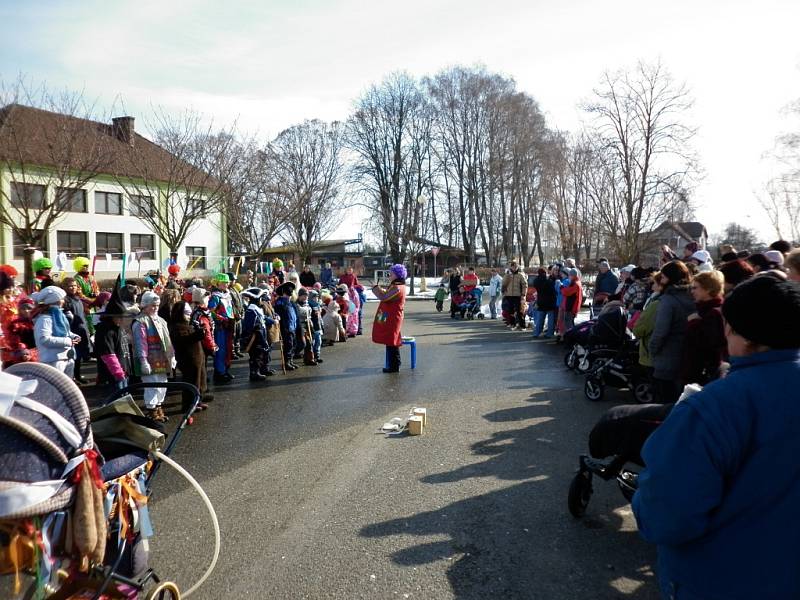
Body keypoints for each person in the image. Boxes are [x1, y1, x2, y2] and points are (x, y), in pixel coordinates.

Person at [632, 274, 800, 600]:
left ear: (735, 330)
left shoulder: (710, 409)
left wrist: (640, 499)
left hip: (722, 579)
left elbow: (665, 516)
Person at [648, 260, 694, 403]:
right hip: (686, 356)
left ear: (670, 278)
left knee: (663, 404)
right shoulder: (692, 296)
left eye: (663, 277)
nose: (660, 280)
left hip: (666, 358)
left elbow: (660, 332)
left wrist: (652, 350)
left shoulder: (668, 300)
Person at [132, 291, 175, 422]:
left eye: (157, 305)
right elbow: (141, 343)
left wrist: (172, 356)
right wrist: (143, 361)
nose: (155, 308)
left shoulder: (161, 320)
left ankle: (158, 407)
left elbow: (168, 340)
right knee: (152, 385)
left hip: (161, 358)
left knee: (162, 384)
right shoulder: (140, 322)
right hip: (149, 359)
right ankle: (151, 410)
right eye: (152, 305)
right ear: (144, 306)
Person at [682, 270, 727, 385]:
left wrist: (694, 323)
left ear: (708, 289)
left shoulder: (713, 314)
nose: (692, 291)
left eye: (695, 288)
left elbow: (711, 348)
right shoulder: (704, 311)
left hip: (704, 377)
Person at [169, 300, 210, 411]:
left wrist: (199, 331)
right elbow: (183, 340)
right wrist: (197, 335)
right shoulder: (176, 326)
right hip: (187, 359)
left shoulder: (186, 324)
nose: (189, 315)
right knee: (191, 381)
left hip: (196, 358)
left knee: (199, 379)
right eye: (186, 313)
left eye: (189, 313)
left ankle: (198, 400)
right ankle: (188, 405)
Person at [93, 279, 133, 393]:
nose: (122, 319)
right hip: (114, 375)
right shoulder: (105, 330)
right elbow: (108, 354)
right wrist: (118, 373)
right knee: (116, 399)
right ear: (111, 316)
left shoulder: (118, 328)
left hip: (124, 371)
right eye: (120, 317)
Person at [32, 285, 79, 376]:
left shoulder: (60, 316)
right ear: (56, 301)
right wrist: (68, 341)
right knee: (54, 388)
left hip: (66, 357)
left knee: (66, 388)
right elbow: (44, 339)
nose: (64, 300)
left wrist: (73, 336)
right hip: (53, 359)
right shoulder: (45, 319)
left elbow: (65, 331)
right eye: (62, 298)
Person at [372, 264, 407, 373]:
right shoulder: (397, 285)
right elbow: (387, 295)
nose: (389, 275)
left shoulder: (397, 287)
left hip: (392, 318)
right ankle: (395, 363)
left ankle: (394, 366)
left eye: (391, 273)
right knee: (391, 340)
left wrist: (375, 288)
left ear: (397, 274)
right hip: (391, 316)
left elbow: (384, 297)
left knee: (392, 341)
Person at [62, 277, 93, 385]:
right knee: (73, 356)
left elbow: (82, 315)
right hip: (72, 330)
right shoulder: (65, 300)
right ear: (65, 287)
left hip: (81, 329)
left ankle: (78, 375)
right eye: (70, 286)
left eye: (74, 285)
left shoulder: (77, 299)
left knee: (79, 356)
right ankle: (72, 377)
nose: (73, 288)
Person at [632, 271, 663, 373]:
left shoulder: (657, 302)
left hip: (652, 353)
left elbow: (641, 328)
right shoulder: (657, 298)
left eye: (654, 283)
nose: (652, 287)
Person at [208, 273, 235, 384]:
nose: (227, 284)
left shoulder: (227, 294)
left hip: (229, 325)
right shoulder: (215, 296)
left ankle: (226, 369)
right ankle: (220, 372)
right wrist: (220, 318)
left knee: (229, 348)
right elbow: (211, 311)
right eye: (224, 282)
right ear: (218, 283)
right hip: (220, 327)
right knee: (221, 350)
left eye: (227, 282)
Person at [1, 295, 37, 368]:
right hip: (19, 358)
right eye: (23, 308)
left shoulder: (38, 322)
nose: (26, 310)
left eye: (29, 308)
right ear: (19, 310)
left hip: (37, 357)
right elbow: (11, 343)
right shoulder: (14, 324)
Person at [274, 281, 299, 370]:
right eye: (288, 294)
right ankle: (287, 362)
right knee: (288, 345)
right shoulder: (279, 303)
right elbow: (277, 315)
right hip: (286, 328)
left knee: (292, 345)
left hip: (292, 327)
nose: (289, 296)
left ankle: (291, 360)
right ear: (284, 293)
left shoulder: (291, 303)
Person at [501, 261, 527, 330]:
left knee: (519, 311)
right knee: (510, 310)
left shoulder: (520, 275)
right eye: (512, 266)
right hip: (509, 295)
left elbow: (525, 285)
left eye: (515, 266)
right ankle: (512, 324)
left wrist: (523, 294)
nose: (514, 268)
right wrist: (507, 275)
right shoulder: (507, 275)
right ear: (510, 267)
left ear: (517, 267)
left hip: (517, 295)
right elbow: (503, 284)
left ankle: (522, 325)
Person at [532, 268, 557, 338]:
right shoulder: (549, 281)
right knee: (550, 319)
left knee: (540, 319)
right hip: (550, 302)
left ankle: (537, 333)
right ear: (544, 273)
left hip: (541, 301)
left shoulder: (536, 281)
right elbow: (553, 290)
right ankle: (550, 333)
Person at [559, 268, 583, 334]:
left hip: (571, 307)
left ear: (572, 275)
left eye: (569, 275)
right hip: (572, 307)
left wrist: (561, 287)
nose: (568, 277)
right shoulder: (576, 283)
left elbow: (567, 292)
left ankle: (570, 339)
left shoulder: (575, 284)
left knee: (568, 325)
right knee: (569, 323)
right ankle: (570, 338)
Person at [307, 289, 324, 363]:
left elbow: (319, 317)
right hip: (312, 327)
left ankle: (317, 355)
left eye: (317, 297)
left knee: (318, 342)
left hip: (318, 326)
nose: (316, 298)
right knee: (313, 342)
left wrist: (322, 325)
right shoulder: (308, 305)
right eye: (314, 297)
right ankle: (312, 356)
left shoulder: (318, 305)